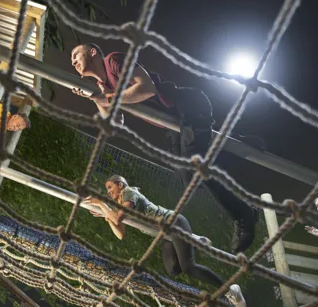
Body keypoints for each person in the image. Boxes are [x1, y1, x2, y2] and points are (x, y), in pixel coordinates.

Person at [71, 43, 259, 254]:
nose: (73, 61)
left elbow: (147, 88)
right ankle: (239, 144)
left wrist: (105, 97)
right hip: (175, 126)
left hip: (188, 106)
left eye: (76, 54)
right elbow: (116, 122)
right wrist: (96, 97)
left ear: (93, 52)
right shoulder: (103, 85)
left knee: (198, 168)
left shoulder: (113, 61)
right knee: (189, 179)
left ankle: (244, 215)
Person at [84, 175, 247, 307]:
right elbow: (120, 234)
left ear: (120, 184)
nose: (108, 192)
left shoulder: (128, 193)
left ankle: (230, 290)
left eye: (110, 187)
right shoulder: (120, 203)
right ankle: (195, 239)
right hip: (165, 234)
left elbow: (118, 218)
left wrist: (103, 205)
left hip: (174, 222)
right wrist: (107, 215)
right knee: (173, 269)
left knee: (188, 267)